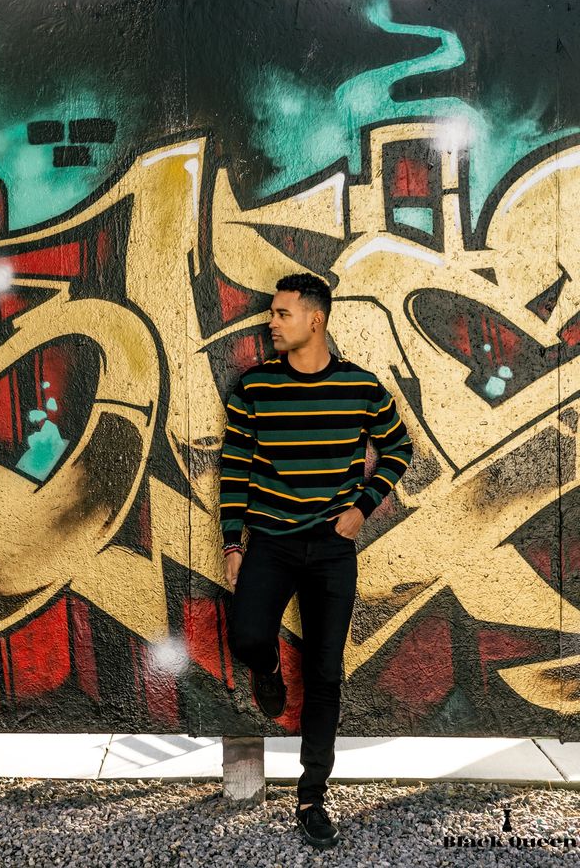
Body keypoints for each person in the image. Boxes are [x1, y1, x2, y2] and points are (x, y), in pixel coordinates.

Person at [219, 272, 412, 849]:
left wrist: (363, 509)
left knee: (327, 672)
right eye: (271, 314)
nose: (270, 322)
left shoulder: (362, 387)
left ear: (315, 319)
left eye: (281, 314)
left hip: (331, 549)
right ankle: (270, 671)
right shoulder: (254, 388)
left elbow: (399, 446)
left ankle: (312, 795)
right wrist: (234, 542)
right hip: (271, 543)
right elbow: (234, 467)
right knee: (249, 636)